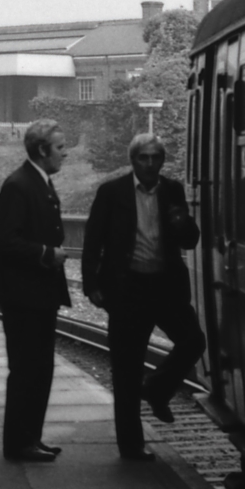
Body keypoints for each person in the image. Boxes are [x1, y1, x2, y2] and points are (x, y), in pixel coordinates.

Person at [82, 134, 206, 461]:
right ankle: (131, 446)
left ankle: (157, 389)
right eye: (143, 158)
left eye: (155, 158)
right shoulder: (112, 193)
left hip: (166, 289)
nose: (150, 164)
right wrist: (91, 284)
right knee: (126, 369)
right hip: (128, 290)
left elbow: (190, 240)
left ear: (162, 160)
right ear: (133, 161)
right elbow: (93, 240)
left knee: (193, 341)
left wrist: (182, 223)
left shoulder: (173, 191)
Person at [0, 119, 71, 463]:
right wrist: (46, 254)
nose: (66, 153)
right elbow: (6, 240)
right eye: (61, 147)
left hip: (38, 294)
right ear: (42, 150)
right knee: (26, 369)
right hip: (23, 295)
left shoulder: (39, 182)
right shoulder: (19, 186)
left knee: (41, 368)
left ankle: (30, 438)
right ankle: (19, 442)